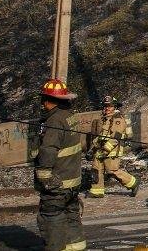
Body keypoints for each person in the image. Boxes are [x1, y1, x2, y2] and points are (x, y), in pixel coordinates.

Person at [30, 79, 86, 251]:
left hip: (58, 184)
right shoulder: (70, 116)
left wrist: (45, 178)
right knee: (71, 217)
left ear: (47, 100)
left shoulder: (54, 121)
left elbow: (48, 150)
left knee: (51, 218)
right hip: (73, 182)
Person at [88, 96, 139, 198]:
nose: (107, 108)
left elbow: (116, 137)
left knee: (112, 170)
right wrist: (91, 149)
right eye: (105, 106)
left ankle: (133, 183)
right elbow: (100, 137)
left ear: (115, 107)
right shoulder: (104, 119)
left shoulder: (118, 119)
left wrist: (106, 150)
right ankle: (97, 191)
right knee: (96, 168)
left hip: (112, 150)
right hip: (101, 149)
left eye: (110, 106)